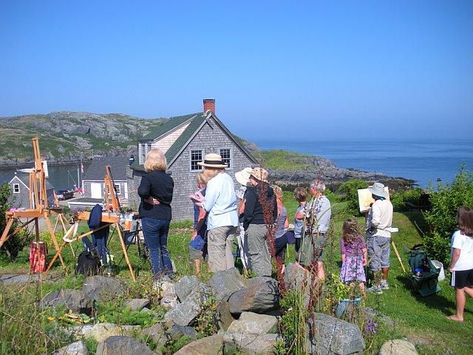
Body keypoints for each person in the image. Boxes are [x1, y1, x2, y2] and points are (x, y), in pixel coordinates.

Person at [138, 148, 174, 285]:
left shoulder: (148, 177)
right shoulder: (168, 179)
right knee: (163, 246)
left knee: (153, 248)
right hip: (165, 215)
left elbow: (142, 191)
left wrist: (148, 198)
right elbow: (168, 198)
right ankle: (169, 274)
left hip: (151, 214)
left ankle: (158, 277)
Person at [200, 153, 239, 272]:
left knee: (217, 254)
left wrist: (201, 201)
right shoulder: (228, 178)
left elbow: (208, 205)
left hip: (218, 221)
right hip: (231, 219)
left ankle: (220, 283)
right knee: (227, 253)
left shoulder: (214, 182)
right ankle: (232, 279)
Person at [241, 167, 277, 277]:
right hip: (268, 225)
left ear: (256, 179)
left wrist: (246, 224)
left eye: (251, 177)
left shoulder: (252, 192)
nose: (250, 179)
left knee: (255, 255)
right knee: (266, 254)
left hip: (255, 225)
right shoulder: (271, 192)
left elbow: (248, 212)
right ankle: (267, 277)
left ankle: (260, 282)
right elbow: (275, 211)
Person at [299, 179, 332, 281]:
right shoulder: (326, 201)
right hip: (322, 233)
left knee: (307, 262)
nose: (309, 190)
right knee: (319, 261)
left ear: (314, 189)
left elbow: (305, 215)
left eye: (310, 188)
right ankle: (320, 285)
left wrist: (305, 215)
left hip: (314, 234)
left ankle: (309, 284)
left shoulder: (317, 201)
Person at [365, 182, 393, 294]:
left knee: (375, 260)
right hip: (387, 234)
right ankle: (384, 282)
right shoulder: (389, 204)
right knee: (385, 259)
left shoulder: (376, 205)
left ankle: (376, 286)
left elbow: (376, 221)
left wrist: (370, 226)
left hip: (377, 234)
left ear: (375, 194)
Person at [447, 206, 473, 322]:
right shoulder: (471, 233)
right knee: (467, 287)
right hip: (470, 265)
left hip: (460, 267)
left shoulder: (458, 234)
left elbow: (457, 253)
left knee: (459, 289)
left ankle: (459, 316)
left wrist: (451, 266)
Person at [340, 218, 367, 294]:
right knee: (360, 278)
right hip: (358, 259)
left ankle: (351, 295)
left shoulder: (343, 239)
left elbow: (343, 253)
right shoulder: (360, 237)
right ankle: (363, 296)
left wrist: (343, 263)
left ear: (344, 228)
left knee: (350, 279)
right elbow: (364, 249)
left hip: (349, 260)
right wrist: (365, 258)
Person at [189, 172, 208, 276]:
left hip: (202, 225)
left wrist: (196, 230)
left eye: (199, 183)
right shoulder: (212, 192)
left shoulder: (198, 195)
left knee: (194, 246)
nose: (197, 185)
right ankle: (210, 271)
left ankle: (198, 272)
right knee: (208, 248)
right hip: (212, 225)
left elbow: (201, 214)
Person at [273, 185, 290, 266]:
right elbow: (286, 225)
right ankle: (281, 277)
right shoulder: (284, 208)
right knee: (280, 261)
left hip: (273, 237)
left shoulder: (272, 207)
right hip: (282, 236)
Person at [293, 187, 308, 254]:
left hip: (301, 235)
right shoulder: (302, 207)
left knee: (300, 254)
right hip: (299, 233)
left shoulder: (303, 209)